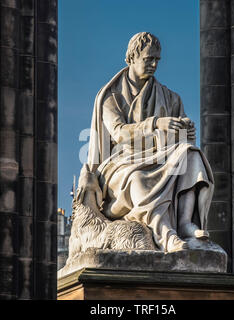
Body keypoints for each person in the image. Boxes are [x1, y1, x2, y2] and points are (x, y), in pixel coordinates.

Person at [86, 32, 214, 252]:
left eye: (157, 60)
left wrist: (186, 131)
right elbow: (119, 134)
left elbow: (180, 139)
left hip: (162, 158)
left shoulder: (171, 97)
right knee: (138, 179)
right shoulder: (111, 96)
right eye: (148, 59)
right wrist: (155, 124)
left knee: (191, 154)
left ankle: (185, 223)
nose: (154, 64)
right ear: (131, 58)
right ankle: (166, 235)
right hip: (121, 164)